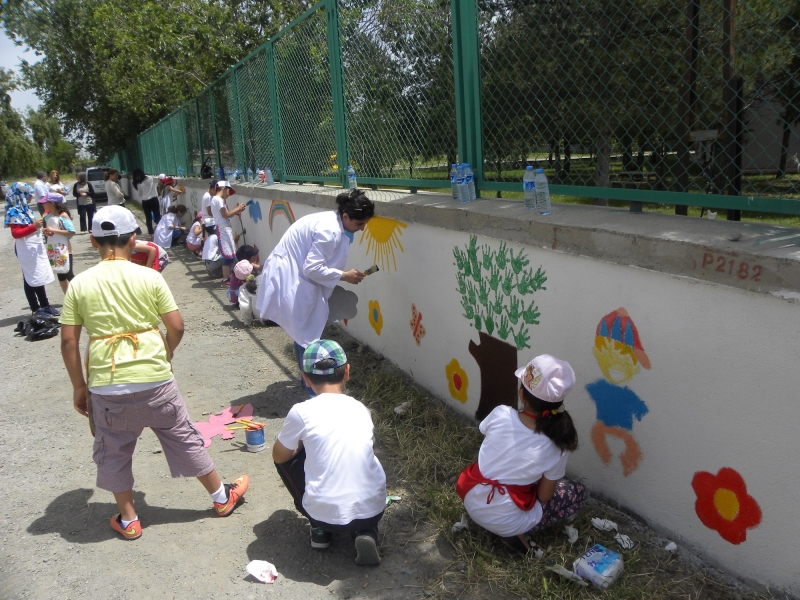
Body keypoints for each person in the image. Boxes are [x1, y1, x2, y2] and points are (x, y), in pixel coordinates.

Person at [59, 205, 250, 541]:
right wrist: (167, 352)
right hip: (156, 379)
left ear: (92, 240)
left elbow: (69, 343)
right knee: (183, 435)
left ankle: (129, 519)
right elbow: (176, 325)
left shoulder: (79, 284)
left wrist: (79, 386)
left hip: (107, 386)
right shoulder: (150, 276)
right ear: (134, 238)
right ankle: (221, 498)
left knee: (114, 448)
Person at [457, 354, 586, 554]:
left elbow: (486, 431)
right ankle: (515, 531)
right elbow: (544, 496)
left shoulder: (500, 413)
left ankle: (504, 522)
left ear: (522, 394)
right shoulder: (556, 444)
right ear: (557, 405)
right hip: (508, 521)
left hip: (471, 498)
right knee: (577, 491)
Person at [272, 340, 386, 565]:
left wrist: (302, 446)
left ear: (305, 378)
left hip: (324, 515)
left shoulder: (301, 412)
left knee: (287, 456)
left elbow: (278, 455)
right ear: (347, 372)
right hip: (373, 508)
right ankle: (366, 532)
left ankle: (319, 530)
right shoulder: (360, 408)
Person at [256, 189, 374, 397]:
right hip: (293, 279)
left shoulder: (332, 221)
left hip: (296, 276)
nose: (362, 229)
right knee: (307, 336)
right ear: (346, 216)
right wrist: (344, 275)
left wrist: (340, 274)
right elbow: (312, 268)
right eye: (359, 224)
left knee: (304, 333)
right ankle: (314, 391)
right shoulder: (330, 231)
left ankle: (308, 383)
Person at [5, 182, 58, 316]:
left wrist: (43, 231)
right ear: (21, 195)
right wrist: (34, 227)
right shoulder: (14, 211)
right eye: (29, 195)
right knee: (29, 278)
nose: (31, 197)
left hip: (34, 247)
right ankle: (36, 309)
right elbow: (16, 233)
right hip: (25, 249)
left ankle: (45, 305)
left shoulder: (26, 209)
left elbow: (34, 227)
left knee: (38, 276)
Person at [208, 180, 245, 285]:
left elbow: (225, 215)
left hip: (225, 228)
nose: (229, 195)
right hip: (222, 229)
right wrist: (237, 209)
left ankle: (229, 276)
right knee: (227, 254)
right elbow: (226, 215)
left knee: (230, 253)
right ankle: (226, 278)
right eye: (229, 191)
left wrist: (236, 211)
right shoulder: (218, 199)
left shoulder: (218, 200)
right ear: (224, 189)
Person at [42, 192, 77, 293]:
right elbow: (52, 231)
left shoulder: (63, 215)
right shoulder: (48, 216)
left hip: (65, 249)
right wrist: (47, 232)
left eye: (45, 202)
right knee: (60, 274)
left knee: (68, 273)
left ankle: (82, 294)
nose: (42, 204)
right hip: (53, 249)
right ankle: (67, 296)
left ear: (52, 203)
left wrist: (53, 230)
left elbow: (71, 232)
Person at [131, 169, 160, 234]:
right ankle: (160, 231)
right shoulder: (150, 178)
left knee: (148, 218)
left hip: (145, 202)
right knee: (157, 216)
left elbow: (139, 194)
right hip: (153, 199)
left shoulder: (138, 184)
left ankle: (151, 233)